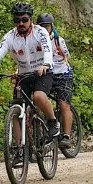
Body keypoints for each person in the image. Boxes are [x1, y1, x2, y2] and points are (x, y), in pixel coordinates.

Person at [0, 3, 60, 166]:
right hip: (24, 74)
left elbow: (47, 48)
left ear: (31, 20)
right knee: (17, 109)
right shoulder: (10, 36)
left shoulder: (40, 32)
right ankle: (19, 150)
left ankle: (53, 121)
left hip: (43, 72)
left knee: (39, 97)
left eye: (24, 20)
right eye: (17, 20)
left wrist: (46, 64)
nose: (21, 23)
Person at [36, 13, 75, 148]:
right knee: (39, 101)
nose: (45, 30)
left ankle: (66, 136)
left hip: (62, 74)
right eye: (42, 27)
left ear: (52, 26)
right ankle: (44, 130)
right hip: (47, 74)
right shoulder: (36, 40)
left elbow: (67, 56)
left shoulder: (59, 41)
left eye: (47, 27)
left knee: (64, 104)